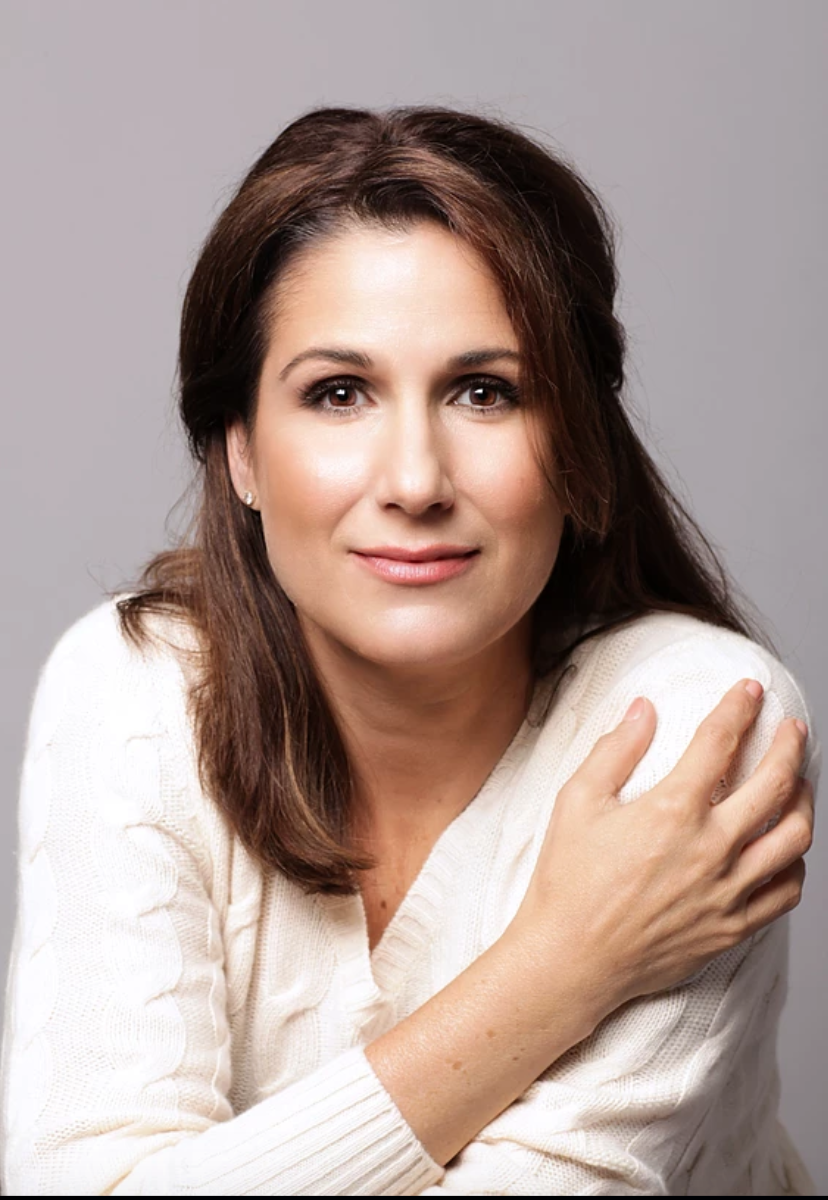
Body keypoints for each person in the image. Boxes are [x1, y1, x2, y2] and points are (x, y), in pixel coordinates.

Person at [0, 104, 819, 1197]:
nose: (416, 481)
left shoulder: (696, 730)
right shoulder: (136, 687)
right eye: (339, 395)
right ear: (240, 450)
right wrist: (560, 968)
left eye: (485, 393)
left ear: (576, 436)